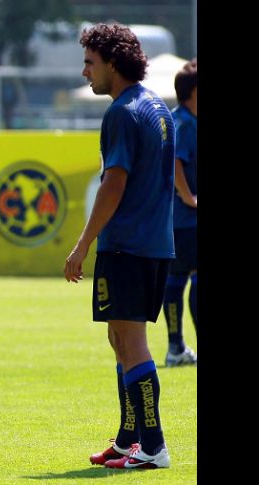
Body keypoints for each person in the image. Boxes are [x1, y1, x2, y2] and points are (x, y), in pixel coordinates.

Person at [63, 23, 175, 469]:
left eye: (90, 62)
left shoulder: (122, 113)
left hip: (128, 245)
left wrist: (82, 244)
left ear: (112, 63)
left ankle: (153, 447)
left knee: (131, 343)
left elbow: (114, 183)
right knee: (120, 339)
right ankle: (130, 439)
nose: (85, 71)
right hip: (153, 243)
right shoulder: (156, 107)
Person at [162, 59, 197, 367]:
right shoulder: (186, 124)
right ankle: (176, 347)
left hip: (173, 222)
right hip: (188, 220)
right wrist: (189, 197)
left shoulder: (176, 120)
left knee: (175, 280)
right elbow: (174, 161)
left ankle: (175, 347)